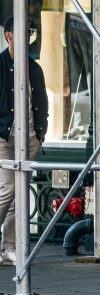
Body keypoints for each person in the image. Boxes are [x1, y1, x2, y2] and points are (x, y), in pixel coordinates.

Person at [0, 17, 47, 265]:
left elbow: (41, 101)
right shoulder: (0, 65)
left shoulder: (33, 68)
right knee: (9, 189)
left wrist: (40, 134)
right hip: (4, 139)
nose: (26, 38)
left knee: (19, 196)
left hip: (28, 138)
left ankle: (8, 248)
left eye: (29, 33)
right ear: (8, 35)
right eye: (21, 33)